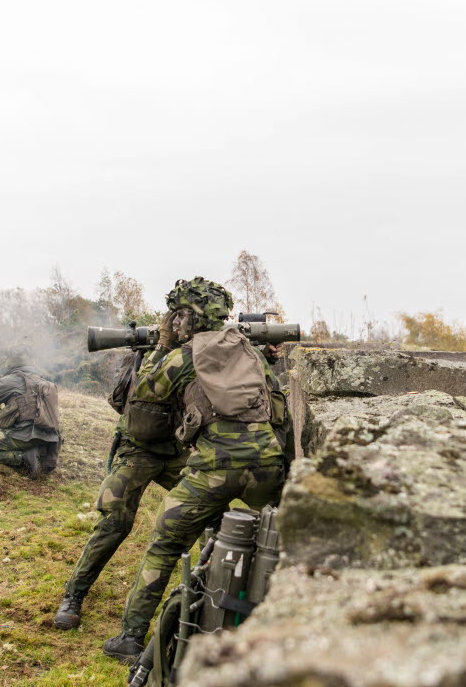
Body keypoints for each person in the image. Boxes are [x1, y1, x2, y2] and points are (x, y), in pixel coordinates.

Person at [102, 277, 288, 664]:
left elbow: (146, 392)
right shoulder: (248, 350)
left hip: (212, 467)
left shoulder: (183, 355)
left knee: (165, 545)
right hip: (267, 463)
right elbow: (278, 407)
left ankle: (130, 639)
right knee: (273, 545)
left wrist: (165, 344)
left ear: (182, 318)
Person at [51, 327, 191, 630]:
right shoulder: (146, 356)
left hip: (178, 451)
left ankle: (206, 598)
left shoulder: (197, 353)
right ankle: (74, 595)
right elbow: (123, 399)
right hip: (137, 450)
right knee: (113, 523)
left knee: (206, 513)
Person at [0, 353, 61, 479]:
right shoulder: (42, 381)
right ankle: (37, 450)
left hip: (24, 435)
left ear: (11, 365)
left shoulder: (14, 379)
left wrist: (1, 384)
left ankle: (23, 457)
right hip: (51, 438)